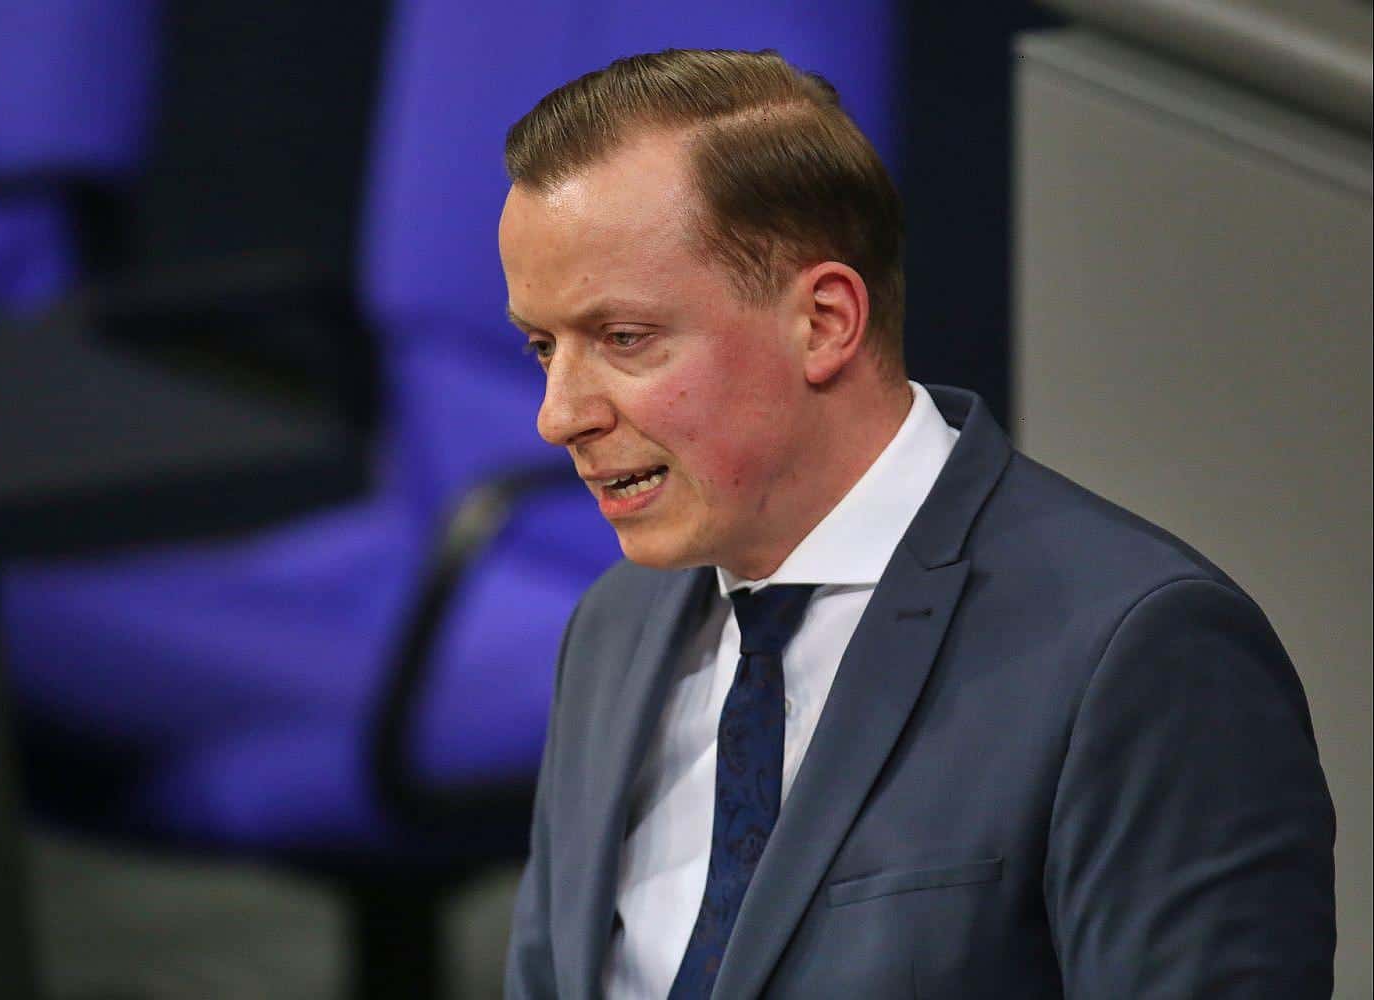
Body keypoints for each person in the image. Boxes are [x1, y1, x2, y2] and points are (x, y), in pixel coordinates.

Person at [497, 49, 1335, 998]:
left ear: (824, 322)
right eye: (542, 346)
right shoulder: (616, 625)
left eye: (623, 338)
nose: (559, 415)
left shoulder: (1140, 652)